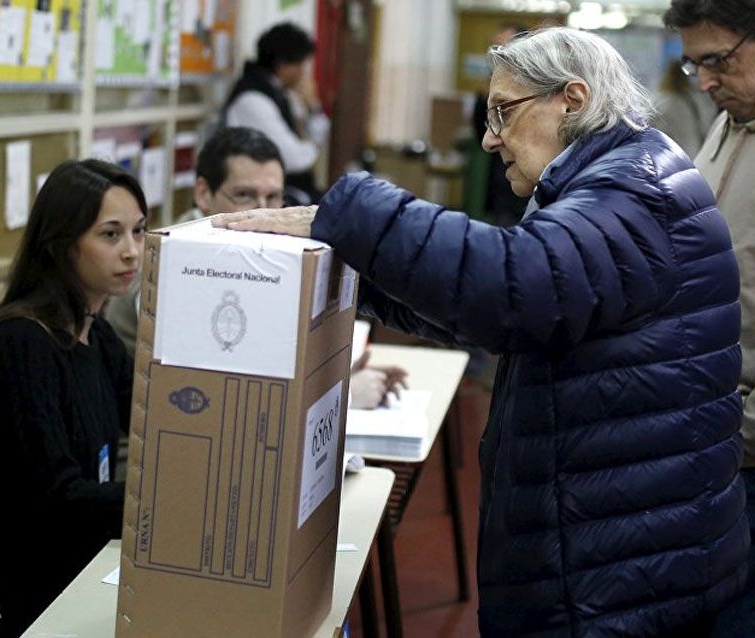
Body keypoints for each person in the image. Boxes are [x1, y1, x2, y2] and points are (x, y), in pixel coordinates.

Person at [213, 27, 748, 636]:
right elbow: (500, 308)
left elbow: (512, 285)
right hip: (622, 551)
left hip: (618, 579)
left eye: (503, 112)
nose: (490, 139)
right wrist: (356, 276)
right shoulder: (626, 176)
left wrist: (344, 214)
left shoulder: (630, 192)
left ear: (571, 100)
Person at [0, 159, 145, 637]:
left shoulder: (93, 334)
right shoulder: (22, 346)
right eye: (110, 235)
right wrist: (157, 506)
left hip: (75, 563)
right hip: (17, 592)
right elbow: (59, 503)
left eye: (139, 232)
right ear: (60, 244)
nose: (132, 253)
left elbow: (150, 419)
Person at [106, 126, 404, 408]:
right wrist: (343, 396)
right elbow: (224, 390)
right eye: (245, 196)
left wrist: (334, 375)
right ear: (202, 194)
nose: (263, 211)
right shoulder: (179, 265)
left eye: (273, 197)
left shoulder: (250, 257)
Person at [664, 3, 755, 635]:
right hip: (710, 433)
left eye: (718, 61)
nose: (704, 82)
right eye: (694, 64)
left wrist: (740, 434)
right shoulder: (732, 122)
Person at [224, 22, 329, 204]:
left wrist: (312, 106)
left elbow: (315, 130)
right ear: (282, 65)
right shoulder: (253, 99)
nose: (303, 74)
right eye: (301, 66)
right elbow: (295, 159)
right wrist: (312, 145)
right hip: (261, 197)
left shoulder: (282, 93)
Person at [472, 22, 531, 227]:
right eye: (494, 49)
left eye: (504, 49)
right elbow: (480, 131)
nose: (497, 58)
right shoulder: (489, 87)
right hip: (502, 187)